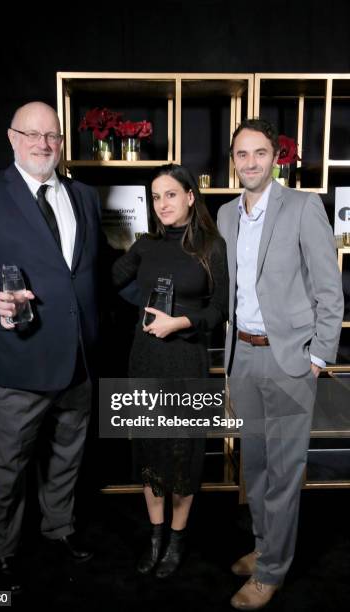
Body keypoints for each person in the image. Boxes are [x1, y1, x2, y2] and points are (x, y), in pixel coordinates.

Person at [0, 101, 104, 593]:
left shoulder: (84, 195)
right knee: (6, 466)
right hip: (18, 357)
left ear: (60, 142)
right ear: (12, 138)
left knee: (67, 457)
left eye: (52, 136)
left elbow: (90, 270)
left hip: (77, 356)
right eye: (32, 134)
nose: (43, 144)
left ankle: (58, 530)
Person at [217, 118, 344, 610]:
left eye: (259, 153)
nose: (250, 163)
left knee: (286, 470)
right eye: (242, 154)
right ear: (234, 160)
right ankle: (265, 546)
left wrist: (317, 357)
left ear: (276, 157)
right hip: (243, 357)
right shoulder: (226, 215)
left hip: (290, 360)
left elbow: (328, 290)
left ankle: (271, 572)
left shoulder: (303, 206)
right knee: (257, 465)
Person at [112, 164, 228, 578]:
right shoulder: (145, 245)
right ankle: (155, 536)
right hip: (144, 358)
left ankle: (176, 541)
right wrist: (144, 305)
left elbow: (220, 309)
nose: (163, 204)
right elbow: (114, 277)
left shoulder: (211, 246)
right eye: (156, 196)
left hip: (186, 359)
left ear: (190, 197)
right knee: (149, 452)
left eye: (171, 195)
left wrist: (179, 322)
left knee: (182, 454)